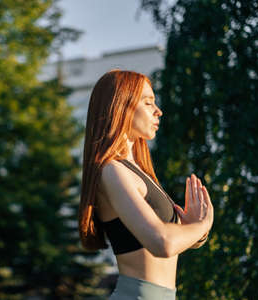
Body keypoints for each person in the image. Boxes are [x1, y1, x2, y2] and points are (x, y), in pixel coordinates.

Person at [78, 70, 214, 299]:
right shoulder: (112, 171)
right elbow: (162, 243)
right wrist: (203, 224)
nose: (158, 111)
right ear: (121, 106)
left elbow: (174, 241)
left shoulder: (139, 172)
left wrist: (194, 231)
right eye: (148, 102)